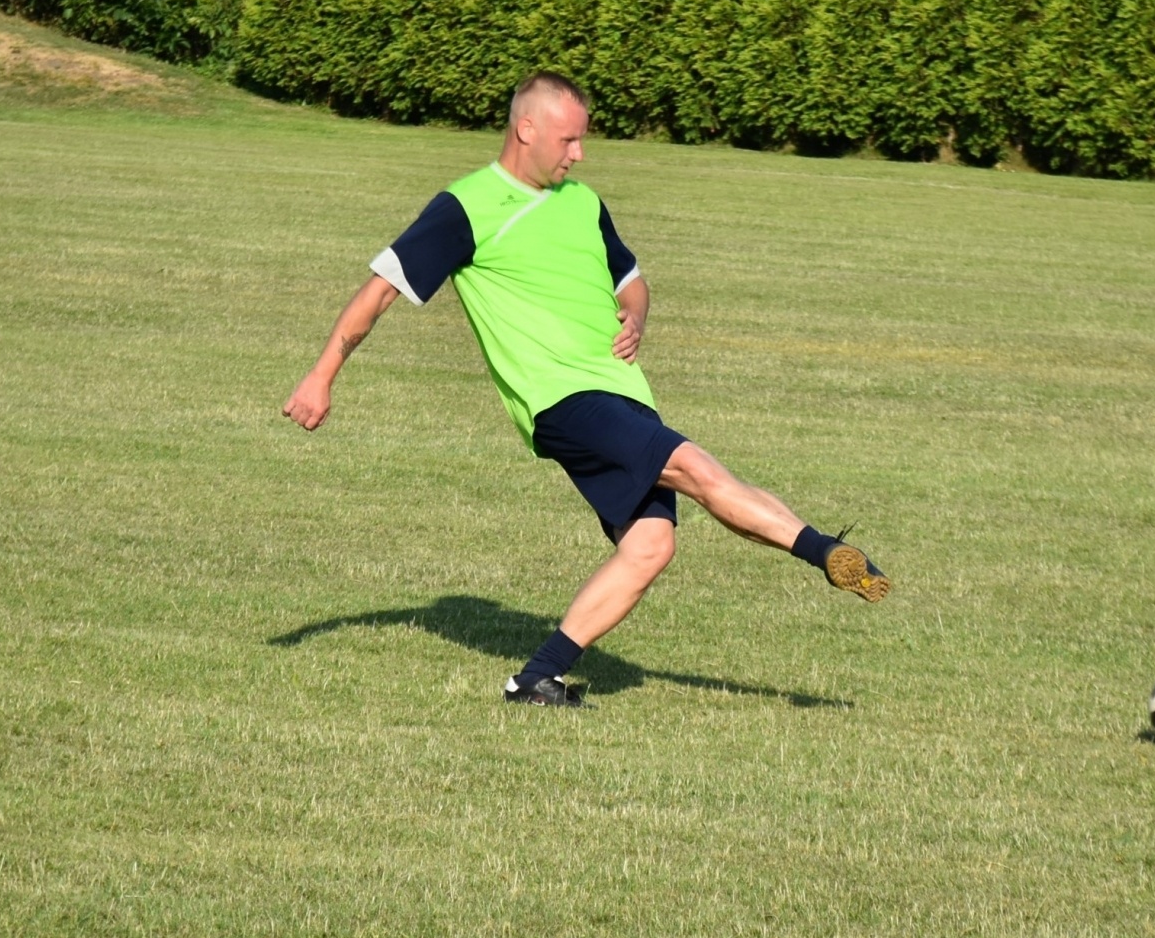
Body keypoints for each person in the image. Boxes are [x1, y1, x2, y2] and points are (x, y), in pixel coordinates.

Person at [282, 72, 888, 708]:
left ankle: (535, 679)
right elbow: (380, 288)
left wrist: (637, 315)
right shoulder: (466, 208)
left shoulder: (583, 203)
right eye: (569, 140)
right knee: (695, 465)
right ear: (527, 130)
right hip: (562, 400)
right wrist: (322, 374)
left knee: (652, 545)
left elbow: (631, 280)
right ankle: (827, 553)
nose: (579, 154)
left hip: (623, 392)